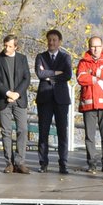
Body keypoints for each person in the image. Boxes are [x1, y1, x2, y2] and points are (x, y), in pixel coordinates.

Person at [0, 34, 32, 173]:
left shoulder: (22, 58)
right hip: (3, 100)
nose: (7, 48)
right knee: (6, 132)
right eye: (5, 45)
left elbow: (27, 78)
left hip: (19, 100)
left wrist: (16, 94)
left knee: (22, 130)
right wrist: (8, 93)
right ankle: (9, 163)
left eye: (10, 46)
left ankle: (20, 162)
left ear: (16, 47)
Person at [75, 36, 103, 173]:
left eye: (98, 46)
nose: (95, 49)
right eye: (93, 46)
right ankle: (91, 163)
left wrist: (93, 72)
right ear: (89, 46)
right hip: (89, 104)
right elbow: (81, 78)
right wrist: (98, 76)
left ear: (102, 46)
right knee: (90, 136)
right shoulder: (83, 61)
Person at [34, 29, 73, 175]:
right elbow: (39, 74)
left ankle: (63, 163)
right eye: (49, 40)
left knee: (62, 132)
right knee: (43, 132)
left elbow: (68, 75)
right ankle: (43, 163)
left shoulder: (65, 57)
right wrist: (56, 73)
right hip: (45, 100)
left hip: (61, 99)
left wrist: (48, 75)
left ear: (59, 42)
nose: (51, 42)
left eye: (54, 40)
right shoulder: (41, 56)